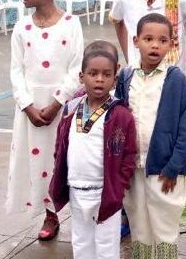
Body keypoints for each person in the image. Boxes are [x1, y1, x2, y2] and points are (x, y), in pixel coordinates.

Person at [6, 0, 83, 240]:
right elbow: (16, 70)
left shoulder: (71, 24)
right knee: (39, 164)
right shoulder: (21, 28)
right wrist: (27, 105)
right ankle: (50, 216)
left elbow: (77, 68)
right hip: (31, 109)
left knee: (66, 159)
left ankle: (82, 214)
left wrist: (56, 103)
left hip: (62, 108)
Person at [114, 13, 186, 258]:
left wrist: (174, 167)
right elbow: (117, 123)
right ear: (136, 41)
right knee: (138, 222)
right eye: (148, 39)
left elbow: (185, 126)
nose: (155, 45)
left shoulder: (175, 79)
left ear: (171, 44)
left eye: (162, 40)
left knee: (164, 223)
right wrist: (120, 166)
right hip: (133, 168)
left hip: (164, 169)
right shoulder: (126, 77)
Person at [50, 45, 136, 259]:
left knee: (106, 246)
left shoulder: (120, 115)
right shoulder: (71, 109)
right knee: (81, 244)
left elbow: (128, 156)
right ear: (81, 76)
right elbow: (60, 147)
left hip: (105, 193)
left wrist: (117, 188)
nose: (99, 79)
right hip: (76, 190)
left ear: (115, 79)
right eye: (93, 73)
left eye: (106, 75)